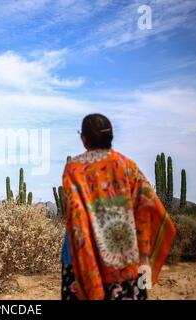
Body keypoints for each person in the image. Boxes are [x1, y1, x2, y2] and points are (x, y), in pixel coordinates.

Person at [61, 113, 176, 300]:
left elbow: (75, 217)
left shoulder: (73, 169)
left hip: (81, 261)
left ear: (84, 139)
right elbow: (149, 206)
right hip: (126, 259)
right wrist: (145, 254)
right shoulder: (128, 166)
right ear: (110, 137)